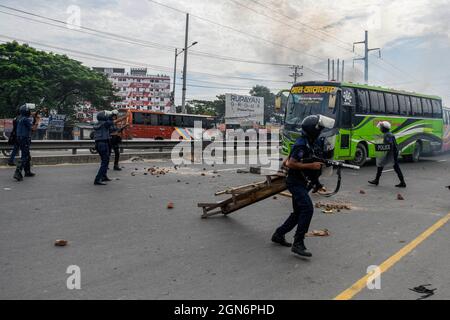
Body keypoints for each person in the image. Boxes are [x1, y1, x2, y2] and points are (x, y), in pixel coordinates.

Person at [272, 115, 335, 258]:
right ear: (313, 130)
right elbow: (290, 163)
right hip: (295, 182)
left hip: (305, 182)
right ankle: (298, 243)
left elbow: (315, 161)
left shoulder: (313, 142)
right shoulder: (301, 143)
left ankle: (278, 234)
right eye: (319, 129)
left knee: (298, 213)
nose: (321, 132)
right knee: (307, 209)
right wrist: (311, 165)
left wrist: (318, 180)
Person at [369, 121, 406, 188]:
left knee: (395, 167)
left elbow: (389, 145)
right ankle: (376, 180)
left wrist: (379, 147)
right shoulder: (388, 134)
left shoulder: (387, 135)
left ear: (384, 128)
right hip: (391, 152)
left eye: (381, 128)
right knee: (381, 164)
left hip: (392, 153)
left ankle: (403, 182)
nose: (380, 129)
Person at [13, 104, 37, 181]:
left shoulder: (20, 118)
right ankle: (17, 172)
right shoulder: (26, 119)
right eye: (29, 111)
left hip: (19, 138)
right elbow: (33, 129)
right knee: (25, 156)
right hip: (24, 138)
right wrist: (37, 121)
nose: (30, 112)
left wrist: (33, 117)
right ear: (26, 111)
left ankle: (27, 171)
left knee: (27, 155)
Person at [93, 111, 115, 186]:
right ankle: (97, 179)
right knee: (105, 162)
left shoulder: (97, 124)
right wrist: (111, 116)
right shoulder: (105, 124)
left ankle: (104, 176)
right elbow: (111, 122)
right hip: (104, 144)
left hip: (98, 144)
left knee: (105, 160)